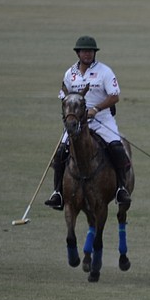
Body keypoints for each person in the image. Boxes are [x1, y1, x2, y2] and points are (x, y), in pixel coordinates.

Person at [45, 35, 132, 210]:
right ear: (78, 53)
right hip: (77, 121)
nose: (87, 54)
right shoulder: (70, 74)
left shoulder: (104, 72)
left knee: (116, 147)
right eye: (84, 51)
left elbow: (114, 96)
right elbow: (64, 97)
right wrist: (71, 114)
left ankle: (121, 189)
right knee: (61, 153)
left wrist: (96, 109)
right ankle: (57, 193)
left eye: (90, 51)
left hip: (102, 119)